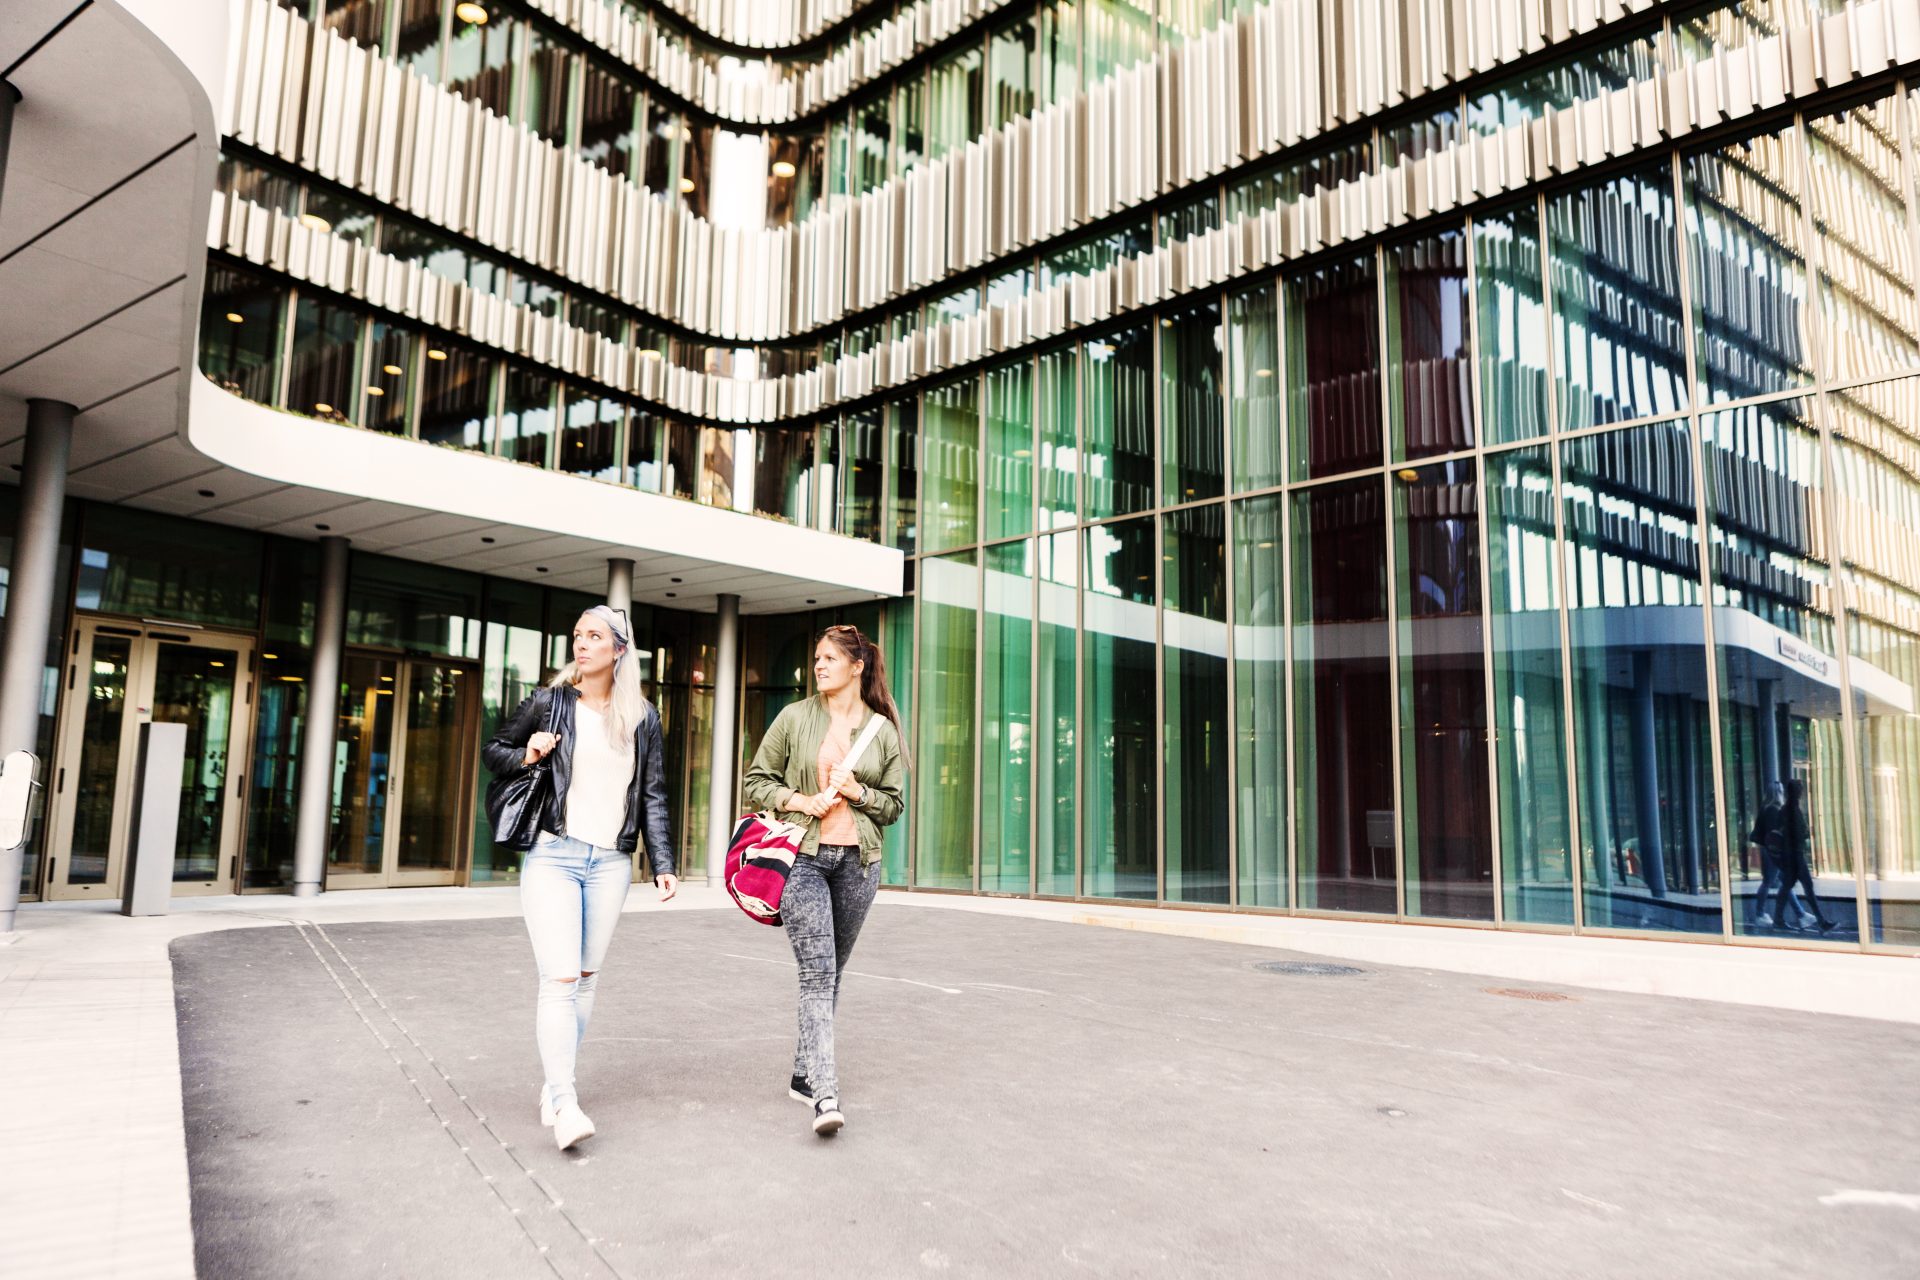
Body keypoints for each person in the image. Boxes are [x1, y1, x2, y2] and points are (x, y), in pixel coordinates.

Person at [483, 605, 676, 1151]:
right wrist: (527, 752)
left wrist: (661, 863)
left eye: (595, 636)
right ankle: (565, 1104)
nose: (582, 645)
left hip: (611, 863)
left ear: (619, 649)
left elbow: (654, 794)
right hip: (554, 855)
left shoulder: (642, 715)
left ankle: (554, 1082)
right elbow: (493, 751)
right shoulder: (550, 701)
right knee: (560, 979)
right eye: (577, 636)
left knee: (586, 978)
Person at [743, 624, 907, 1137]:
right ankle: (825, 1094)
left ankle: (802, 1072)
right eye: (816, 658)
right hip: (803, 859)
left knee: (831, 972)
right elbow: (756, 781)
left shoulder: (881, 730)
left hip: (860, 865)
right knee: (816, 974)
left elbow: (894, 805)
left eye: (830, 659)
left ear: (857, 667)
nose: (819, 666)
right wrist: (798, 801)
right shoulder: (795, 718)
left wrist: (857, 791)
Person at [1773, 779, 1837, 934]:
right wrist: (1805, 833)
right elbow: (1798, 833)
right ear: (1795, 792)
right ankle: (1820, 922)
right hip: (1795, 856)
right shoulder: (1792, 811)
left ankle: (1778, 919)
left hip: (1792, 855)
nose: (1801, 793)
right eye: (1799, 790)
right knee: (1806, 886)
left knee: (1788, 887)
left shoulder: (1788, 809)